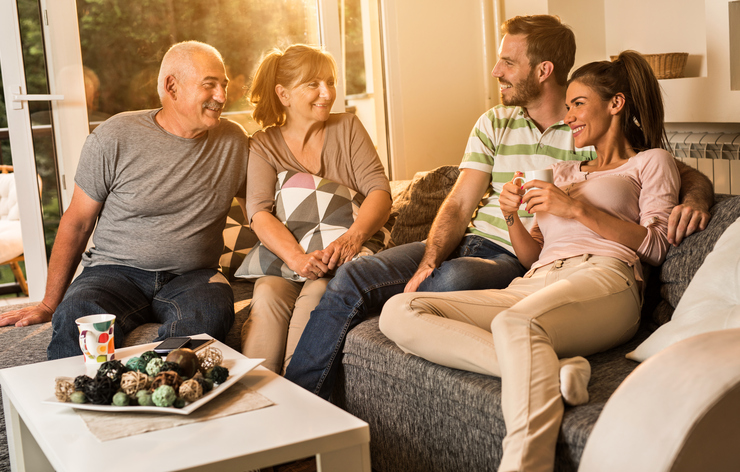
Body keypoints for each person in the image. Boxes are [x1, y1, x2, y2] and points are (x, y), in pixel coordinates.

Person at [284, 14, 714, 400]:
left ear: (543, 70)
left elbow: (661, 168)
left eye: (508, 61)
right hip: (482, 241)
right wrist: (430, 257)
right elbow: (459, 202)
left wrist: (695, 196)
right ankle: (305, 407)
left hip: (518, 260)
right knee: (357, 274)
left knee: (452, 280)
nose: (496, 72)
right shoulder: (495, 122)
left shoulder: (585, 129)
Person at [379, 50, 679, 472]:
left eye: (578, 104)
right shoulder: (564, 171)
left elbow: (656, 245)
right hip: (537, 279)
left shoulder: (650, 162)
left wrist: (577, 210)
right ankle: (555, 372)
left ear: (616, 104)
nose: (569, 115)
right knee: (400, 310)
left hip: (607, 278)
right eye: (569, 105)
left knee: (514, 323)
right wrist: (510, 216)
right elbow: (533, 255)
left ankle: (525, 464)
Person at [0, 41, 249, 360]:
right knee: (77, 312)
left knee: (209, 313)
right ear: (172, 86)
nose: (222, 97)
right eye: (209, 85)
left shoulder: (235, 141)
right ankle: (84, 399)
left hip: (195, 276)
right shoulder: (114, 136)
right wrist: (49, 303)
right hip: (114, 272)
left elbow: (258, 209)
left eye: (224, 86)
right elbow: (77, 222)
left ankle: (163, 383)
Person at [241, 44, 391, 374]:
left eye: (330, 82)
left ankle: (299, 398)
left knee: (316, 295)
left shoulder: (347, 128)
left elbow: (379, 191)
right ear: (283, 94)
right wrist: (297, 259)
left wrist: (352, 239)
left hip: (345, 251)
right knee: (266, 295)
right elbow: (259, 212)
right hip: (290, 254)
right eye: (313, 84)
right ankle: (255, 399)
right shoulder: (263, 145)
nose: (327, 93)